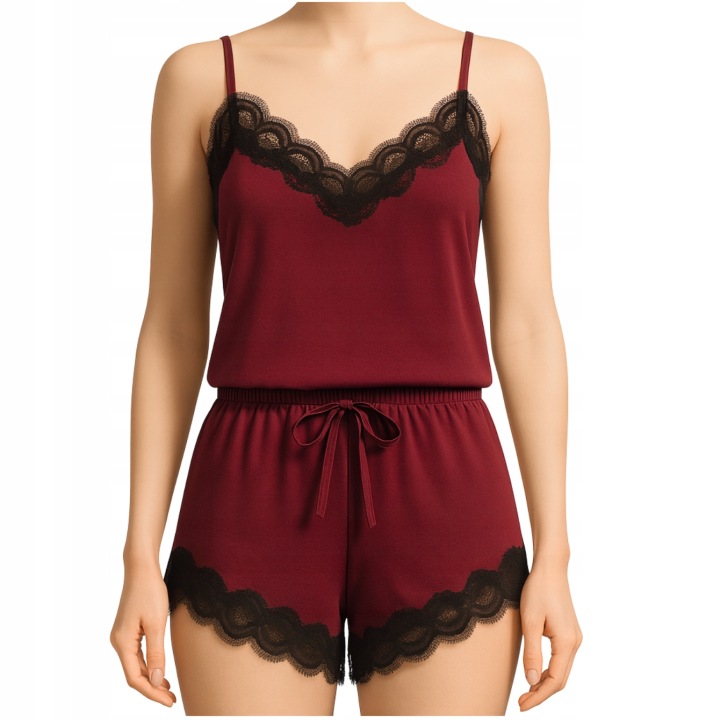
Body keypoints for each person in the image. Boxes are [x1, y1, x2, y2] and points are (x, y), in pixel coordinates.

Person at [110, 2, 582, 715]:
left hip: (446, 485)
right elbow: (172, 326)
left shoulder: (500, 76)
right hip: (248, 486)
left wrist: (555, 554)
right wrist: (138, 555)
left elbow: (528, 326)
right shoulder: (200, 78)